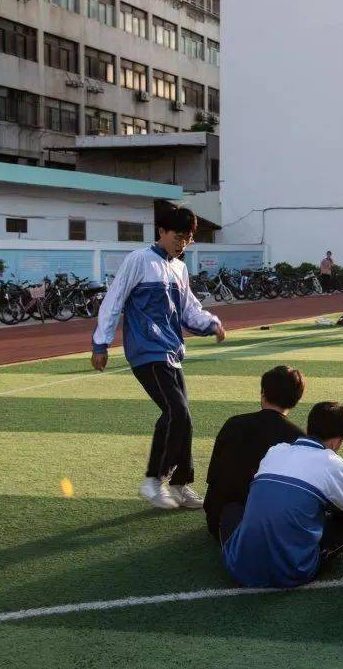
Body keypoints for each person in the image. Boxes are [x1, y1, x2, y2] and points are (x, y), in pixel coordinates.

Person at [92, 205, 225, 510]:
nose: (183, 243)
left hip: (172, 351)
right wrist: (101, 343)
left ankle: (180, 485)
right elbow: (114, 301)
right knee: (176, 411)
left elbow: (189, 309)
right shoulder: (139, 260)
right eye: (178, 236)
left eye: (188, 238)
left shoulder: (179, 268)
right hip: (146, 351)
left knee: (184, 418)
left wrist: (211, 322)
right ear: (162, 232)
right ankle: (154, 480)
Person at [220, 402, 343, 587]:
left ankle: (246, 551)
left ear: (308, 428)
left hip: (239, 567)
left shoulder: (275, 451)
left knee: (232, 509)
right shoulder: (333, 463)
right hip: (292, 572)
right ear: (337, 441)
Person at [204, 366, 306, 539]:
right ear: (297, 398)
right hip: (270, 528)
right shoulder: (298, 437)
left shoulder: (233, 424)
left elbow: (214, 475)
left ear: (263, 392)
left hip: (219, 523)